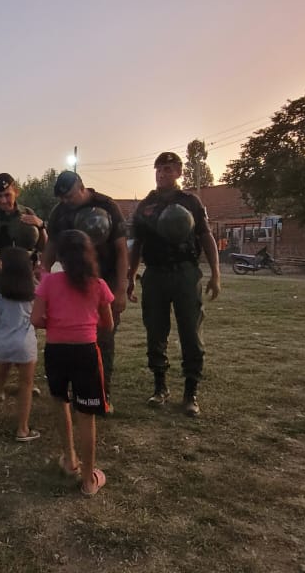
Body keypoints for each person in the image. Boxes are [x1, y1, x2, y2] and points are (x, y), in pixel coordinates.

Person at [126, 152, 221, 417]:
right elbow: (137, 245)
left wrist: (215, 272)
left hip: (184, 274)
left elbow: (205, 237)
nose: (162, 174)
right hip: (155, 274)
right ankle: (160, 387)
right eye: (158, 169)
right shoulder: (146, 205)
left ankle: (191, 392)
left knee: (190, 332)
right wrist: (131, 277)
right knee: (155, 331)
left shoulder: (190, 202)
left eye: (168, 169)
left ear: (179, 172)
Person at [32, 230, 114, 496]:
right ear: (89, 254)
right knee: (86, 415)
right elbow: (108, 324)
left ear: (61, 257)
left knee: (61, 403)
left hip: (56, 350)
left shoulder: (48, 283)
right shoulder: (99, 285)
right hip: (86, 351)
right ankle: (89, 481)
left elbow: (36, 319)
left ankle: (70, 460)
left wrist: (56, 323)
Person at [40, 171, 127, 407]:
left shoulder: (106, 205)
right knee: (73, 338)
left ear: (82, 187)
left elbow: (121, 251)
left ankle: (101, 392)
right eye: (62, 198)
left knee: (103, 339)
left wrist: (121, 289)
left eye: (69, 196)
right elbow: (51, 247)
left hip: (103, 282)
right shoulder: (59, 212)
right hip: (71, 284)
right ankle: (70, 389)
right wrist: (43, 277)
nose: (66, 202)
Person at [0, 172, 47, 394]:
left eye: (7, 194)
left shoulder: (28, 214)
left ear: (16, 191)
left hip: (25, 280)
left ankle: (26, 379)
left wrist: (41, 225)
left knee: (27, 326)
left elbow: (44, 247)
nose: (4, 200)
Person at [0, 247, 40, 441]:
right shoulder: (34, 289)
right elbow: (39, 316)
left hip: (2, 344)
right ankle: (22, 429)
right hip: (25, 343)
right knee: (26, 385)